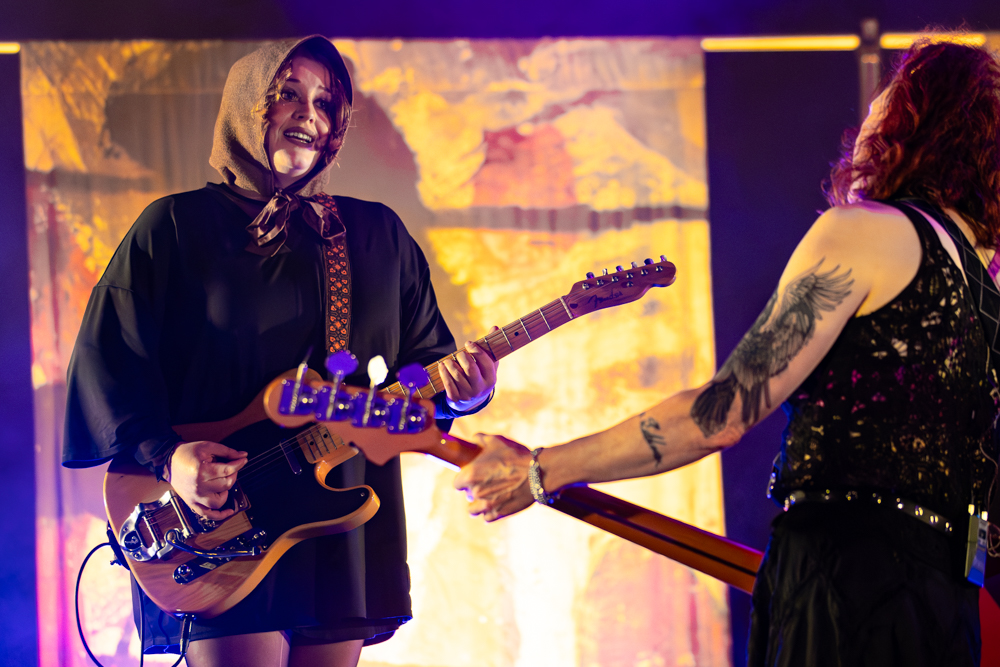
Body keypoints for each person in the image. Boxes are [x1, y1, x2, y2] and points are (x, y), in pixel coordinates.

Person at [455, 39, 1000, 666]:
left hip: (846, 588)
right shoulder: (985, 285)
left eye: (886, 96)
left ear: (912, 118)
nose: (867, 115)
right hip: (949, 609)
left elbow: (720, 415)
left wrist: (539, 470)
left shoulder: (866, 232)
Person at [62, 36, 498, 667]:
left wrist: (467, 393)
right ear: (246, 106)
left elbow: (424, 367)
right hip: (218, 513)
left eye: (324, 102)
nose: (308, 114)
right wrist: (169, 458)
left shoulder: (377, 236)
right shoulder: (173, 227)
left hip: (340, 512)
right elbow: (110, 362)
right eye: (288, 94)